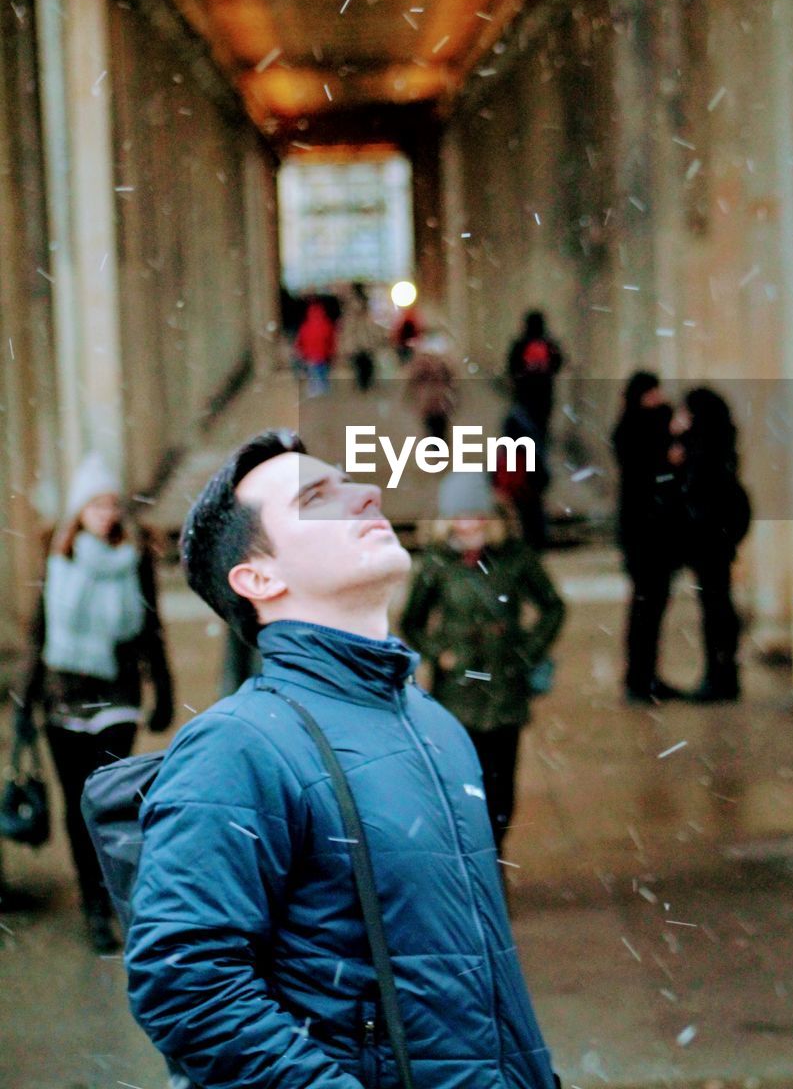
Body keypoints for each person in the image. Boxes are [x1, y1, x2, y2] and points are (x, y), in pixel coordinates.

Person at [125, 430, 561, 1089]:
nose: (366, 493)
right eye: (316, 497)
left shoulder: (434, 725)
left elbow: (475, 980)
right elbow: (185, 985)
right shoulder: (237, 745)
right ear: (257, 577)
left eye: (347, 481)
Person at [14, 454, 173, 952]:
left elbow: (150, 628)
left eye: (111, 503)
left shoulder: (134, 559)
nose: (106, 512)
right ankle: (94, 905)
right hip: (62, 701)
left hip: (117, 697)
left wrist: (163, 690)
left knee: (110, 800)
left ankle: (115, 896)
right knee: (76, 806)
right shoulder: (57, 558)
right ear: (79, 508)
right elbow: (40, 632)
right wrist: (24, 701)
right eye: (96, 503)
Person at [400, 471, 565, 855]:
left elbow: (552, 607)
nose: (468, 524)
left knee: (501, 785)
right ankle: (471, 856)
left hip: (504, 690)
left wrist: (524, 652)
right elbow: (411, 622)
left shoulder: (515, 558)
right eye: (460, 516)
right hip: (456, 692)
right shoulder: (436, 565)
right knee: (459, 784)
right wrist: (439, 649)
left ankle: (494, 854)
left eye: (476, 515)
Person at [673, 386, 751, 702]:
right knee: (719, 607)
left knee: (715, 610)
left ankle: (719, 676)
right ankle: (723, 673)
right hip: (717, 539)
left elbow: (697, 495)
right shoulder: (720, 443)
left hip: (709, 540)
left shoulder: (703, 450)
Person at [611, 372, 684, 704]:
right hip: (649, 535)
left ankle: (644, 676)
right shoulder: (642, 430)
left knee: (648, 608)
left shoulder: (632, 428)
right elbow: (656, 468)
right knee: (646, 609)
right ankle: (641, 679)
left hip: (647, 535)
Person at [493, 401, 551, 550]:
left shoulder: (507, 449)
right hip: (526, 491)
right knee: (531, 519)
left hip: (517, 490)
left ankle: (528, 545)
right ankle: (535, 545)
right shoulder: (527, 444)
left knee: (522, 520)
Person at [506, 310, 563, 440]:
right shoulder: (548, 344)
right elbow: (557, 364)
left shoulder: (521, 344)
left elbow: (512, 367)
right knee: (541, 429)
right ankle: (539, 454)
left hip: (524, 394)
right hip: (544, 396)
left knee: (523, 428)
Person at [405, 331, 458, 441]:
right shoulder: (421, 366)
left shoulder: (443, 366)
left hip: (440, 404)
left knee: (440, 428)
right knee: (431, 427)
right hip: (429, 403)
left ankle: (440, 446)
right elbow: (412, 382)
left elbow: (452, 382)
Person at [339, 281, 383, 392]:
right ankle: (364, 385)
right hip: (364, 340)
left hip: (359, 340)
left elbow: (348, 326)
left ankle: (363, 385)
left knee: (360, 364)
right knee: (364, 364)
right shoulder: (364, 304)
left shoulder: (351, 305)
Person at [294, 296, 337, 396]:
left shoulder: (306, 326)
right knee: (322, 371)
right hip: (323, 354)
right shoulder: (327, 324)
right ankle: (324, 388)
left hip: (310, 355)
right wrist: (332, 351)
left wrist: (300, 351)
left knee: (313, 372)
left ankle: (315, 388)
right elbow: (331, 340)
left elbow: (300, 340)